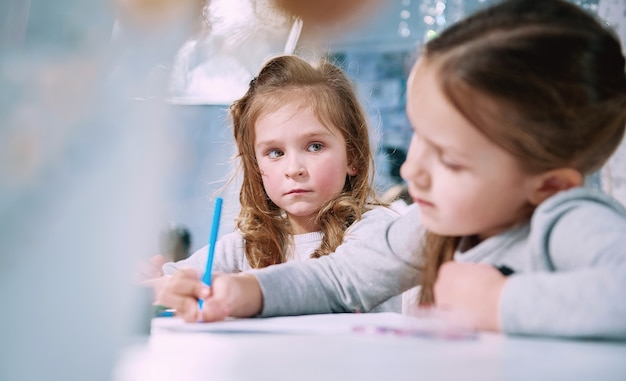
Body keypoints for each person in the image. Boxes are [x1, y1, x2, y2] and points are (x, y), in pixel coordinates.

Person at [161, 0, 626, 340]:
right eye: (421, 135)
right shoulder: (428, 228)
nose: (417, 168)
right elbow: (339, 278)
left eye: (450, 159)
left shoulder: (566, 222)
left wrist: (499, 304)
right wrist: (247, 292)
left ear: (547, 185)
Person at [155, 54, 401, 316]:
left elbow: (339, 282)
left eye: (315, 146)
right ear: (256, 165)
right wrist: (161, 284)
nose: (294, 169)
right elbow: (172, 283)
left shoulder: (377, 231)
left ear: (352, 156)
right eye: (275, 153)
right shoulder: (244, 248)